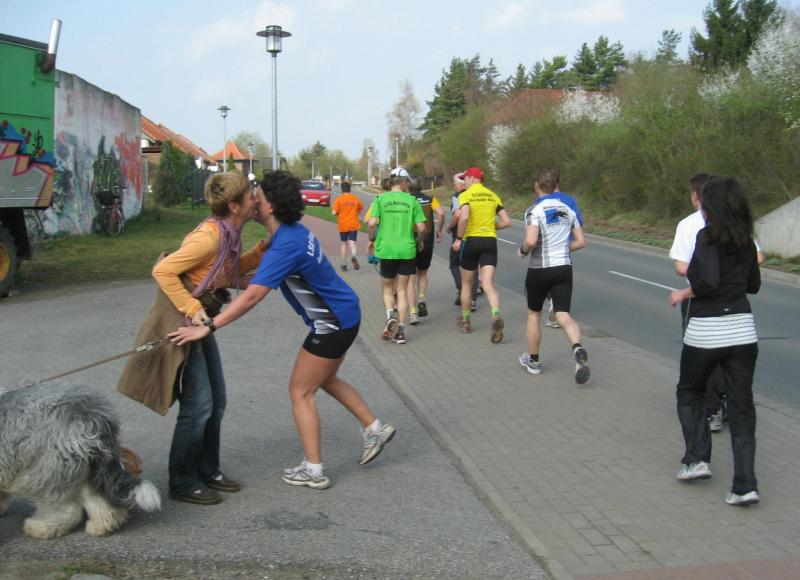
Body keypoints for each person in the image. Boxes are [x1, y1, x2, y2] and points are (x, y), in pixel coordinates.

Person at [169, 170, 396, 491]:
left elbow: (253, 296)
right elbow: (258, 278)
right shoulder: (291, 233)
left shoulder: (285, 244)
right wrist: (219, 279)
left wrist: (209, 326)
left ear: (271, 206)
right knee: (324, 378)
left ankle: (314, 470)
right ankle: (374, 428)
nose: (253, 200)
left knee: (300, 391)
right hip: (344, 315)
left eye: (258, 196)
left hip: (332, 324)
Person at [119, 172, 266, 506]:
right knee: (199, 404)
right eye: (250, 195)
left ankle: (207, 469)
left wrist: (262, 250)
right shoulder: (209, 238)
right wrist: (192, 307)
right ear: (234, 206)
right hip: (185, 322)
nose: (255, 199)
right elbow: (163, 271)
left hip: (199, 322)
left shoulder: (228, 234)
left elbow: (225, 272)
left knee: (218, 399)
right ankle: (183, 481)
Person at [668, 176, 761, 507]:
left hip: (706, 329)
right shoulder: (746, 240)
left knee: (690, 391)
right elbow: (753, 285)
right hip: (743, 330)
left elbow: (708, 281)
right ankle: (745, 486)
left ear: (711, 206)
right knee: (742, 406)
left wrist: (683, 293)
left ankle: (697, 460)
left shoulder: (706, 237)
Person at [517, 168, 589, 384]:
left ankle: (534, 361)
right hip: (564, 268)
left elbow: (531, 241)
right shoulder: (568, 210)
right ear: (556, 185)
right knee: (563, 315)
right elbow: (581, 242)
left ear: (537, 185)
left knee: (533, 314)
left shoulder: (534, 210)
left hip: (540, 268)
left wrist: (522, 251)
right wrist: (561, 249)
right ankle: (577, 347)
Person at [451, 166, 511, 342]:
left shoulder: (465, 195)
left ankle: (466, 321)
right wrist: (491, 227)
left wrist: (458, 239)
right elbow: (507, 221)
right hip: (490, 242)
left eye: (465, 178)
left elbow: (464, 217)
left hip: (471, 241)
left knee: (467, 283)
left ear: (473, 178)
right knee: (488, 283)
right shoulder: (493, 196)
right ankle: (496, 315)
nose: (463, 182)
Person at [367, 168, 426, 344]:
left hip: (387, 250)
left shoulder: (380, 199)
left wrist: (372, 239)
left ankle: (390, 315)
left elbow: (371, 222)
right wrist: (419, 240)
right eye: (408, 182)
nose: (409, 185)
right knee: (402, 290)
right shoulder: (412, 200)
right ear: (403, 183)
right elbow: (422, 227)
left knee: (387, 288)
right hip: (407, 250)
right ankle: (400, 331)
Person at [536, 170, 585, 329]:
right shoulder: (569, 200)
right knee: (561, 275)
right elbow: (578, 222)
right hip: (565, 245)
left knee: (543, 275)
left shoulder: (541, 200)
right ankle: (559, 310)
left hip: (546, 246)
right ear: (558, 182)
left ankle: (553, 303)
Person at [406, 176, 444, 324]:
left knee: (410, 277)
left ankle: (412, 313)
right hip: (427, 238)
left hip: (410, 239)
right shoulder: (430, 199)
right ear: (421, 187)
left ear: (409, 188)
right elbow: (441, 213)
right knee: (422, 272)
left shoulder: (406, 199)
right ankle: (421, 299)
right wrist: (439, 230)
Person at [446, 173, 478, 310]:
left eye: (455, 183)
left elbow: (458, 214)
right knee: (473, 268)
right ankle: (472, 300)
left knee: (454, 264)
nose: (455, 186)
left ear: (461, 184)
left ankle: (462, 291)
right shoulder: (475, 194)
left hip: (460, 235)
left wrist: (449, 227)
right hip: (475, 235)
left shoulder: (458, 196)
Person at [331, 180, 363, 271]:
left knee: (344, 243)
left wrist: (338, 213)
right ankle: (353, 256)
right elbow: (360, 210)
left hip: (343, 224)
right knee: (352, 243)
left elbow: (334, 213)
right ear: (350, 189)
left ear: (342, 190)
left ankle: (343, 263)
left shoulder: (339, 199)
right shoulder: (355, 198)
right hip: (353, 224)